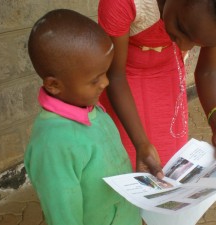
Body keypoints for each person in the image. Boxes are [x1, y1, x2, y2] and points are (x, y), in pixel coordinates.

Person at [98, 0, 216, 177]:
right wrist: (141, 143)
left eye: (199, 43)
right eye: (181, 28)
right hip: (121, 82)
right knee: (125, 161)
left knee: (170, 162)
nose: (184, 48)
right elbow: (115, 75)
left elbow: (208, 72)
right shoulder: (121, 3)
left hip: (167, 78)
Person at [24, 9, 141, 225]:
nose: (105, 83)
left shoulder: (90, 108)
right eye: (95, 80)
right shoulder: (53, 145)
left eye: (105, 73)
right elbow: (63, 214)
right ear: (54, 85)